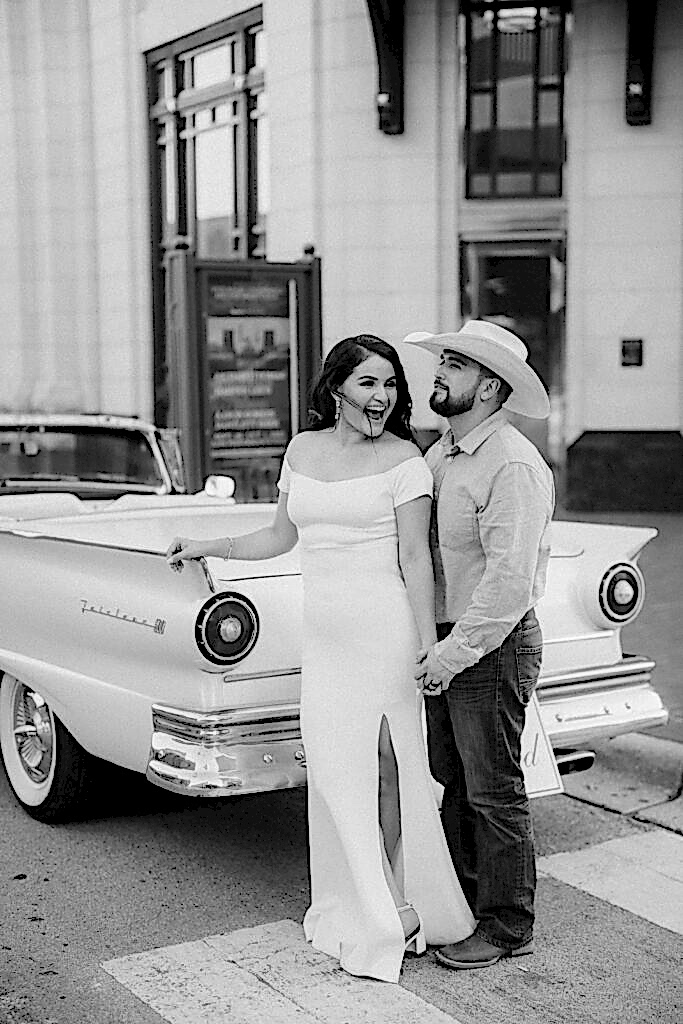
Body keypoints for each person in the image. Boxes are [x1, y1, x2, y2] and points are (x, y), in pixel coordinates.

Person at [166, 334, 474, 983]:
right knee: (337, 769)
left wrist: (426, 644)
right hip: (326, 642)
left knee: (392, 765)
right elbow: (280, 535)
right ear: (335, 388)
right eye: (367, 383)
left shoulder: (403, 458)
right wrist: (209, 544)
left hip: (386, 632)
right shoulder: (302, 450)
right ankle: (362, 896)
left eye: (389, 384)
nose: (381, 396)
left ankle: (395, 901)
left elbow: (416, 558)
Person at [404, 319, 555, 971]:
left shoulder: (512, 464)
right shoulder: (441, 455)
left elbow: (506, 584)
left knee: (493, 790)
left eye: (456, 365)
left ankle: (505, 925)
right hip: (451, 643)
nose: (438, 372)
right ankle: (465, 907)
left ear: (490, 387)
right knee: (454, 781)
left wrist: (449, 655)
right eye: (440, 361)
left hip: (488, 648)